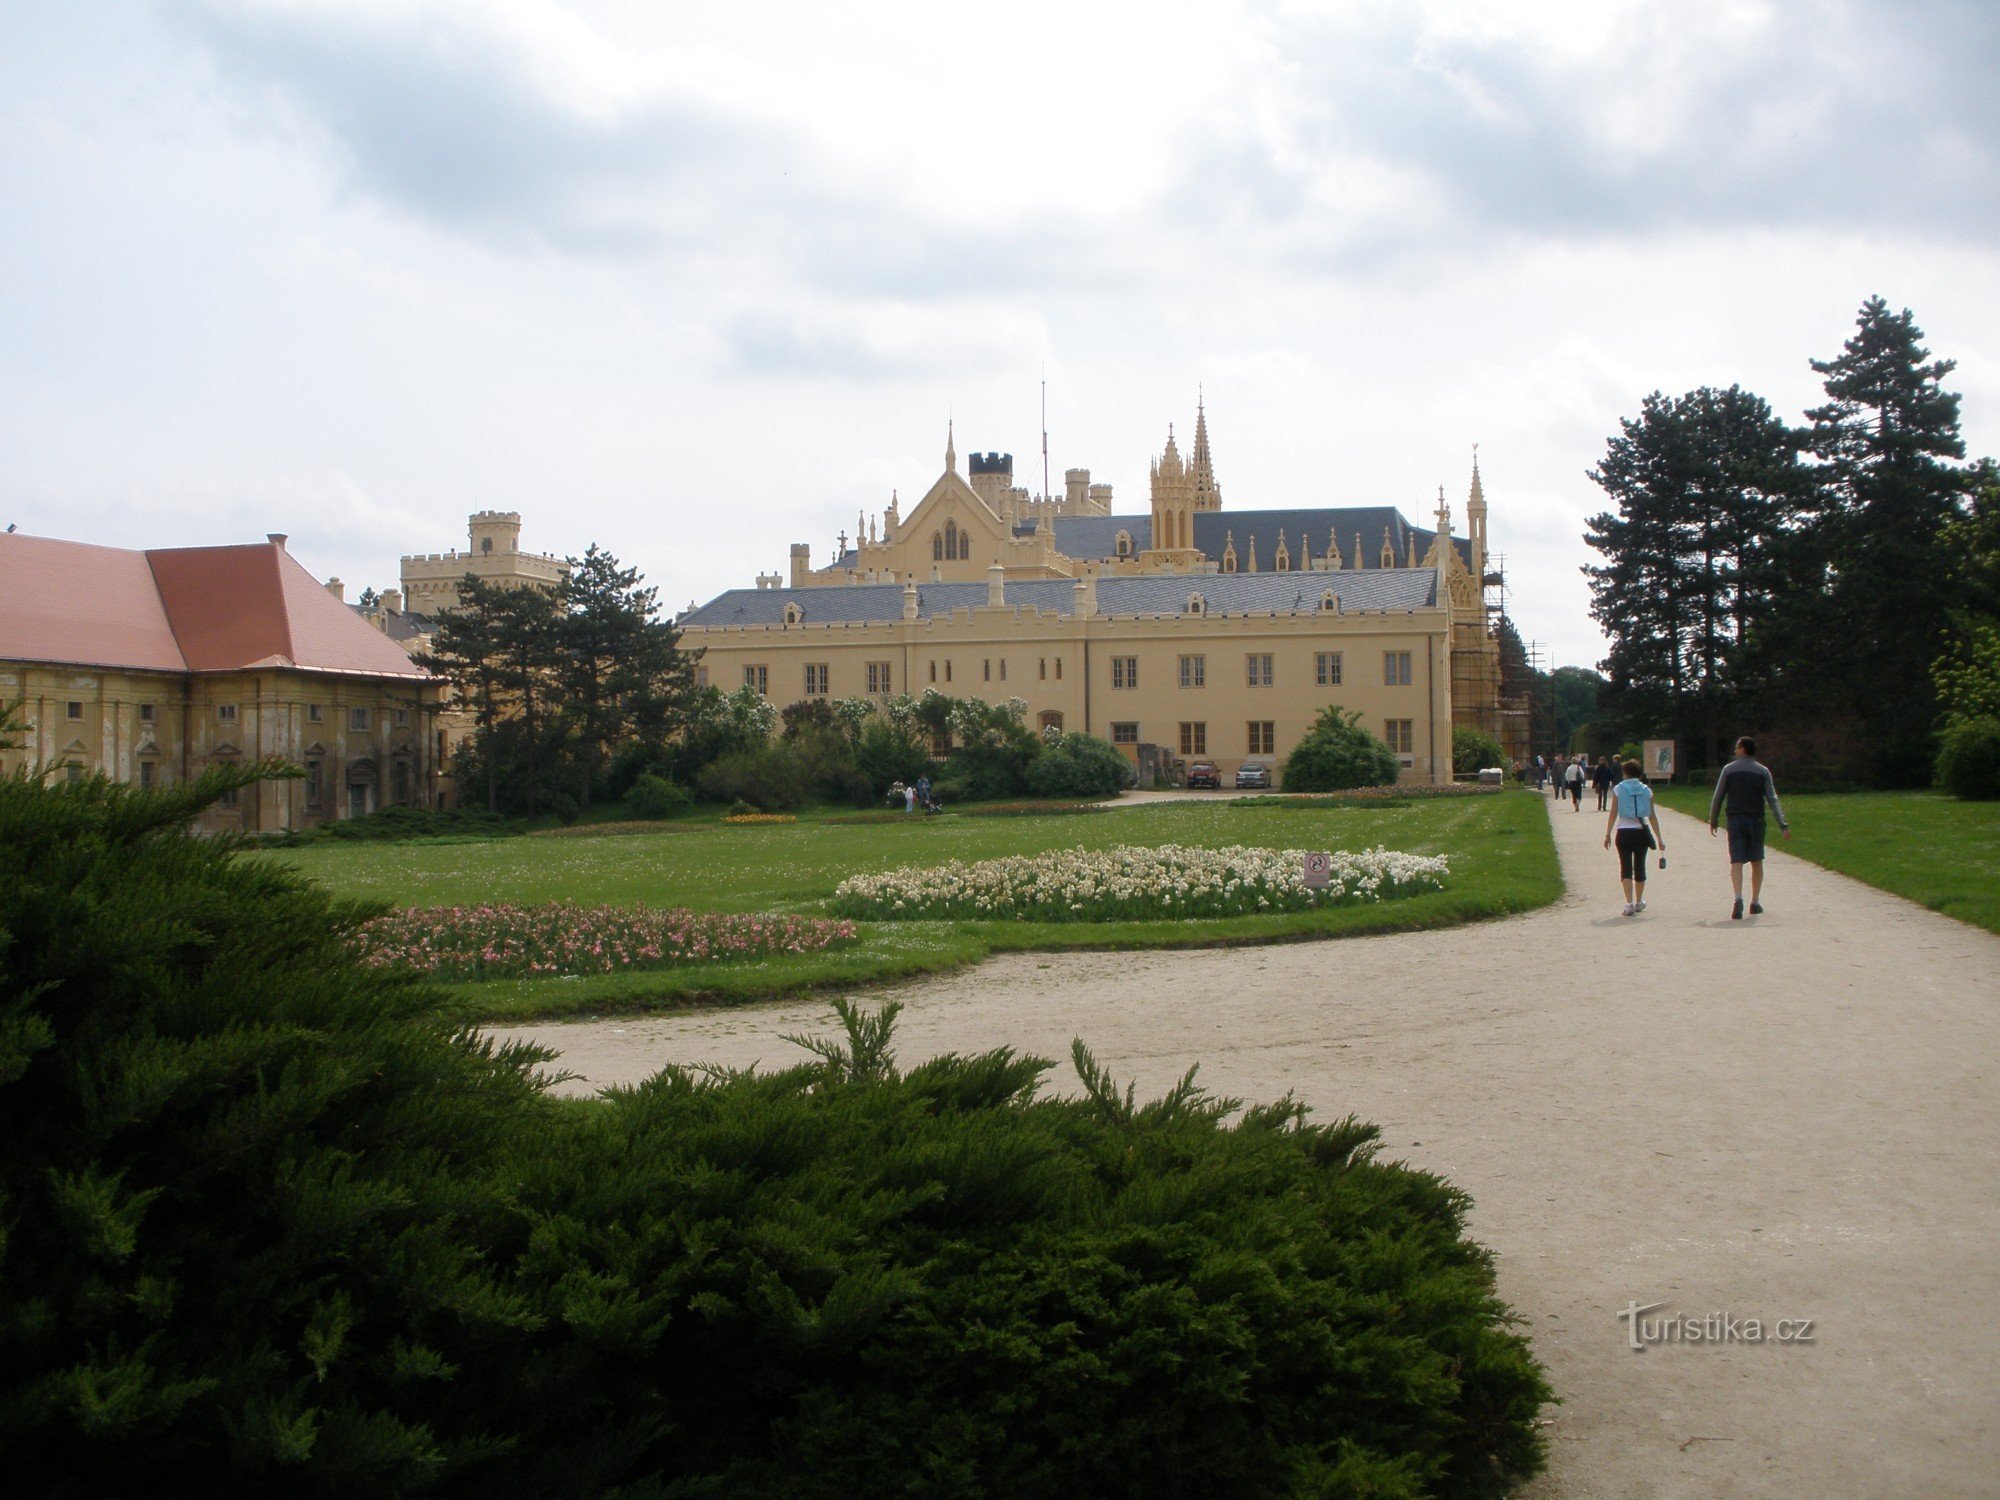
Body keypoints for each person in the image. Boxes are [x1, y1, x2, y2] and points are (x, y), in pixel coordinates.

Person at [1708, 735, 1791, 920]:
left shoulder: (1729, 770)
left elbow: (1718, 797)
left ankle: (1738, 898)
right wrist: (1782, 824)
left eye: (1737, 747)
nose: (1735, 750)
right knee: (1757, 860)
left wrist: (1713, 819)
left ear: (1743, 749)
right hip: (1756, 820)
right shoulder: (1763, 771)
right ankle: (1755, 901)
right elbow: (1773, 799)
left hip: (1735, 820)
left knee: (1736, 861)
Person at [1603, 757, 1665, 916]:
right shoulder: (1647, 790)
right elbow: (1652, 816)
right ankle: (1639, 901)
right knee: (1640, 866)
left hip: (1624, 831)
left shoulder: (1619, 789)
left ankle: (1628, 903)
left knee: (1625, 866)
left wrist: (1608, 833)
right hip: (1640, 832)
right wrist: (1659, 838)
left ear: (1625, 773)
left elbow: (1613, 813)